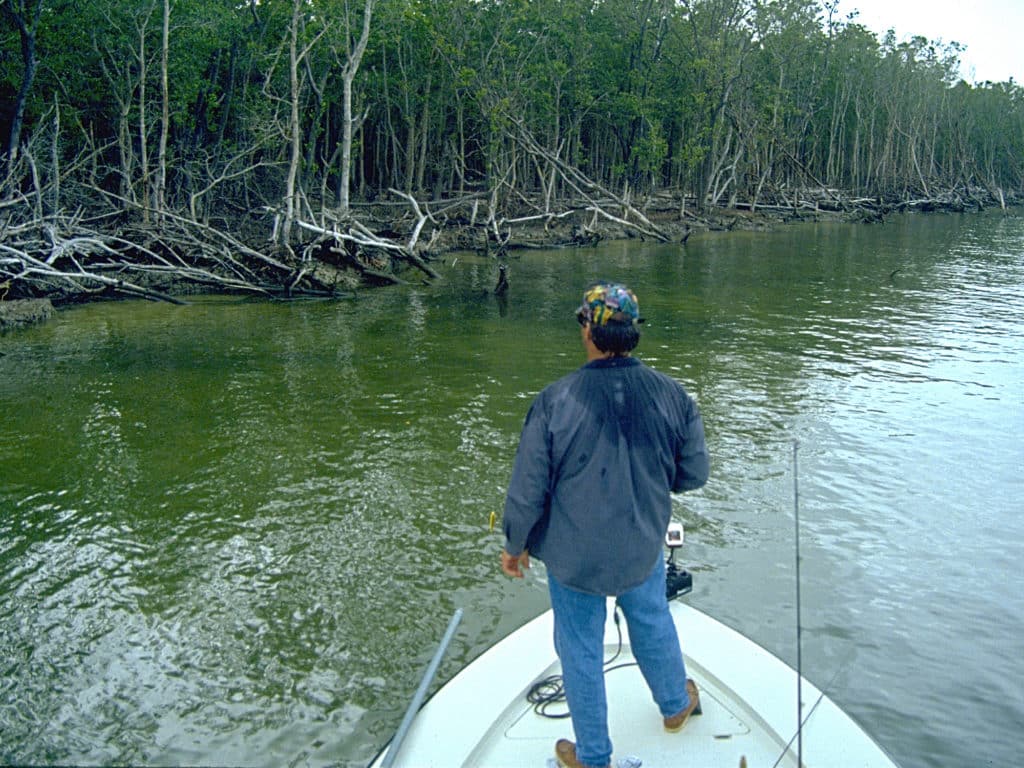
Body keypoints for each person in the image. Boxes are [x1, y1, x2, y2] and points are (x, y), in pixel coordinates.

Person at [500, 281, 710, 768]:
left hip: (574, 558)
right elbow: (694, 473)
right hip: (642, 546)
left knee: (579, 648)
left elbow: (527, 490)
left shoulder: (555, 401)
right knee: (652, 618)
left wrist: (516, 543)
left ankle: (593, 758)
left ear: (588, 332)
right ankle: (678, 706)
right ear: (632, 333)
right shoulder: (673, 395)